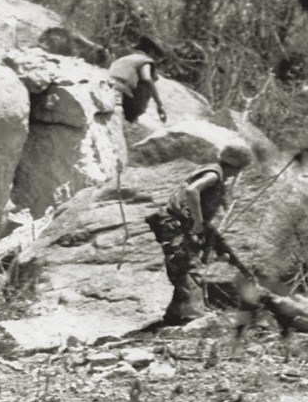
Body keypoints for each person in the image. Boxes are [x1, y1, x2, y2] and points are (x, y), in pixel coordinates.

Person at [145, 145, 253, 324]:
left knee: (181, 268)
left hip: (177, 225)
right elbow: (192, 191)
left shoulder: (212, 170)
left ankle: (176, 314)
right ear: (236, 166)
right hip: (177, 225)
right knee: (188, 267)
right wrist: (198, 222)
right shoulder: (214, 175)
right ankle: (192, 316)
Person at [108, 51, 167, 123]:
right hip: (121, 88)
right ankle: (132, 116)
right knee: (148, 86)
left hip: (108, 82)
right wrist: (159, 105)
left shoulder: (128, 58)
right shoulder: (146, 61)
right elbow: (147, 79)